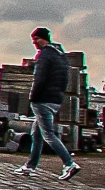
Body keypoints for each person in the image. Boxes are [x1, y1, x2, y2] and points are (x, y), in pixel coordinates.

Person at [22, 26, 80, 179]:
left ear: (43, 39)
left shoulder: (44, 55)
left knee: (48, 135)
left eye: (36, 40)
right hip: (55, 100)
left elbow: (39, 79)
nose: (34, 43)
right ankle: (29, 166)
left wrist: (32, 97)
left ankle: (69, 164)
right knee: (36, 133)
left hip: (42, 100)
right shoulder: (60, 55)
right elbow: (64, 79)